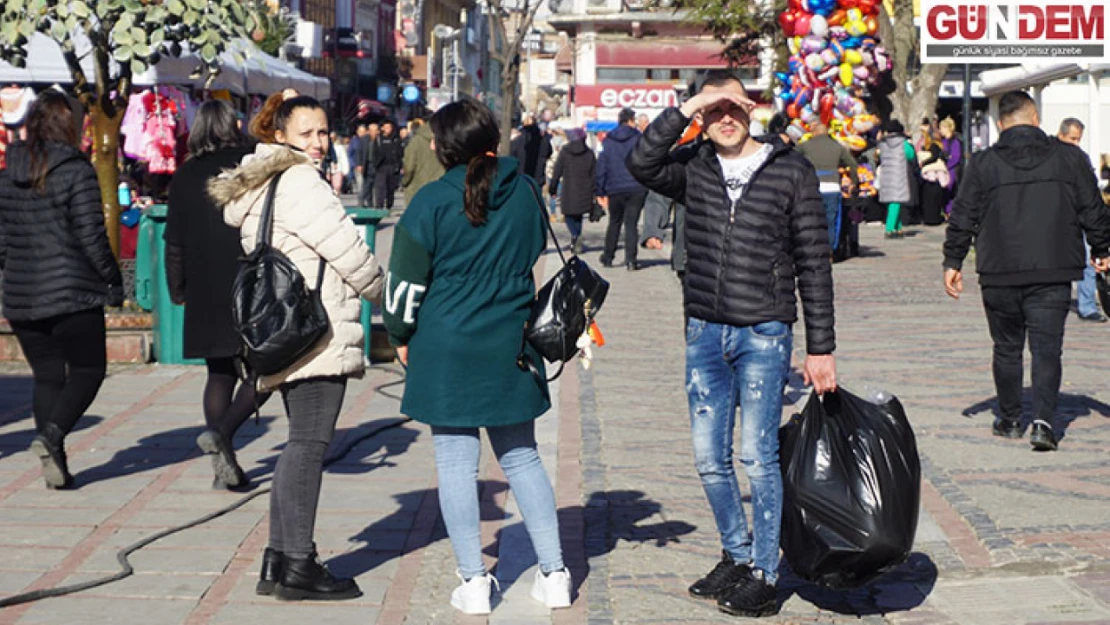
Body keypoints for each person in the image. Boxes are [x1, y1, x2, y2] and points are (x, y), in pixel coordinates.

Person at [628, 70, 837, 618]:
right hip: (703, 330)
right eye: (714, 109)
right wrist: (688, 106)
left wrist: (820, 348)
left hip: (765, 333)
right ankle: (737, 555)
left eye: (734, 108)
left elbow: (815, 262)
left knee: (756, 457)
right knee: (708, 459)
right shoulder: (694, 167)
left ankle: (766, 574)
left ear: (750, 111)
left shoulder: (789, 170)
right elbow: (641, 163)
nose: (725, 119)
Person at [383, 96, 571, 616]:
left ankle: (474, 580)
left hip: (445, 345)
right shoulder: (528, 192)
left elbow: (404, 283)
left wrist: (399, 333)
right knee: (523, 458)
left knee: (456, 465)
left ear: (441, 148)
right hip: (511, 342)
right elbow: (533, 252)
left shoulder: (430, 203)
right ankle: (554, 572)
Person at [208, 95, 385, 600]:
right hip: (314, 330)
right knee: (308, 445)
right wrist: (386, 294)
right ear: (281, 135)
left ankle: (278, 559)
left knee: (297, 445)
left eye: (324, 132)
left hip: (279, 329)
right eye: (306, 133)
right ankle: (300, 565)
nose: (318, 142)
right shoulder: (302, 181)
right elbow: (347, 249)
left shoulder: (262, 180)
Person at [943, 91, 1110, 452]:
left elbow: (962, 215)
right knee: (1047, 350)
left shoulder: (983, 164)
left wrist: (953, 262)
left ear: (1001, 124)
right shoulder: (1069, 158)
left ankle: (1010, 418)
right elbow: (1093, 208)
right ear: (1036, 119)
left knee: (1006, 347)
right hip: (1053, 269)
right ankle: (1045, 423)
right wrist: (1102, 248)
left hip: (999, 270)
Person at [0, 90, 123, 490]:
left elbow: (2, 243)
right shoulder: (76, 170)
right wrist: (112, 279)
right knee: (89, 370)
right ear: (69, 124)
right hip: (73, 293)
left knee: (47, 376)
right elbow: (92, 236)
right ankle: (51, 437)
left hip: (23, 294)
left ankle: (57, 463)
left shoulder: (7, 175)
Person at [165, 100, 270, 491]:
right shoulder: (252, 166)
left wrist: (178, 288)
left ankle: (220, 453)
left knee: (219, 372)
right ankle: (224, 433)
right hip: (252, 279)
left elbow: (173, 241)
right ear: (234, 125)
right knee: (266, 367)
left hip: (205, 284)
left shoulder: (185, 175)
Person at [1056, 118, 1106, 323]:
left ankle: (1087, 306)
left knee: (1087, 261)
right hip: (1058, 218)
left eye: (1078, 139)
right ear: (1061, 135)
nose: (1076, 143)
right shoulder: (1051, 157)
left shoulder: (1081, 158)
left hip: (1080, 217)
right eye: (1072, 138)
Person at [598, 108, 649, 270]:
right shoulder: (639, 139)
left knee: (614, 222)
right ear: (631, 121)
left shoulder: (608, 140)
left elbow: (602, 167)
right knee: (631, 224)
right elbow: (645, 162)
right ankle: (631, 260)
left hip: (614, 188)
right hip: (636, 187)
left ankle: (608, 256)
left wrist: (600, 190)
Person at [796, 121, 858, 251]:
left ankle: (813, 248)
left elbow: (791, 158)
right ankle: (830, 249)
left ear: (815, 133)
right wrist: (853, 182)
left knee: (812, 220)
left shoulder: (805, 146)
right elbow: (852, 164)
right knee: (831, 221)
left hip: (811, 187)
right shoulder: (837, 147)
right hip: (832, 187)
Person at [549, 127, 596, 254]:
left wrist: (552, 188)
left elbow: (557, 171)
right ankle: (576, 238)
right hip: (585, 189)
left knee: (569, 215)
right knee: (578, 216)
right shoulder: (589, 153)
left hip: (569, 189)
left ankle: (575, 236)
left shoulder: (565, 152)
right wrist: (594, 191)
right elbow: (594, 174)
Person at [877, 120, 917, 238]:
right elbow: (911, 155)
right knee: (896, 201)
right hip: (898, 174)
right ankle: (889, 228)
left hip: (887, 174)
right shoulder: (903, 143)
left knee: (893, 201)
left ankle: (897, 227)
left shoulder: (883, 144)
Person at [401, 118, 446, 207]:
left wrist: (404, 181)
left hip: (418, 186)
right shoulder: (444, 140)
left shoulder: (416, 141)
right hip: (439, 186)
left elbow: (409, 167)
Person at [917, 130, 949, 226]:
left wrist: (924, 163)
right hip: (935, 178)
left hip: (931, 177)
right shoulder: (939, 146)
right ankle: (934, 218)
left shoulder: (934, 146)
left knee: (930, 200)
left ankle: (930, 218)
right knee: (934, 201)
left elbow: (934, 157)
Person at [510, 113, 553, 186]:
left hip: (521, 179)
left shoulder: (517, 141)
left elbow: (511, 156)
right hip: (538, 179)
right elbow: (549, 153)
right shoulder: (544, 141)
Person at [375, 120, 403, 210]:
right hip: (382, 166)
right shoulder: (378, 139)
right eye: (386, 127)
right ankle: (379, 205)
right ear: (382, 128)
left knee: (391, 188)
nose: (387, 129)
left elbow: (400, 153)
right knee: (380, 187)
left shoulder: (396, 139)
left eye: (389, 127)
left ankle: (389, 205)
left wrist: (400, 165)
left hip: (392, 166)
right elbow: (373, 152)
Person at [938, 117, 962, 216]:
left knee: (948, 190)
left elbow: (956, 157)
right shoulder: (942, 141)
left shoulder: (955, 141)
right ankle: (945, 210)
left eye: (942, 128)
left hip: (950, 169)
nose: (940, 130)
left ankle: (949, 211)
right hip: (943, 169)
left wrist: (946, 166)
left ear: (948, 128)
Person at [360, 122, 381, 208]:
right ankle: (368, 203)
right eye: (372, 130)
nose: (374, 132)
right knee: (367, 185)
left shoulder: (380, 139)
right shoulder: (364, 139)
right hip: (367, 164)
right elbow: (360, 152)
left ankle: (378, 203)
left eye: (375, 130)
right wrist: (359, 164)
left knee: (378, 185)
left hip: (378, 165)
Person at [348, 124, 368, 200]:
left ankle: (368, 201)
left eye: (363, 131)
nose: (361, 133)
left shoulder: (369, 140)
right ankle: (361, 202)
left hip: (368, 166)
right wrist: (354, 165)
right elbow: (350, 154)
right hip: (357, 167)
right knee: (360, 185)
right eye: (360, 131)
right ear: (357, 132)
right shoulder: (354, 141)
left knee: (367, 185)